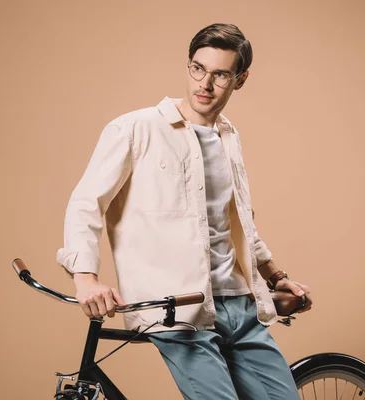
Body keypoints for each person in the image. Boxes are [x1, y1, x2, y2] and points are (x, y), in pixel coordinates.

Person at [57, 23, 312, 400]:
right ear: (188, 65)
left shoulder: (229, 136)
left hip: (240, 305)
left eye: (220, 74)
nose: (204, 84)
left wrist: (275, 275)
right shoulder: (135, 129)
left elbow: (238, 223)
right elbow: (86, 204)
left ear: (239, 80)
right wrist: (86, 278)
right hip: (179, 312)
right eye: (197, 68)